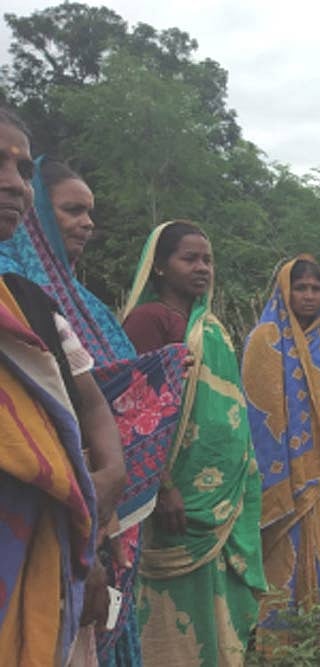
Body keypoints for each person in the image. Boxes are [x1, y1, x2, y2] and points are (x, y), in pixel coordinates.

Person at [0, 155, 186, 666]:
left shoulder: (82, 307)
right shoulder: (17, 293)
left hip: (104, 513)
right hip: (40, 512)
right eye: (71, 210)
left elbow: (100, 400)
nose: (87, 223)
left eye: (90, 212)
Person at [0, 107, 123, 666]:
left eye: (23, 169)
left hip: (47, 553)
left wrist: (106, 483)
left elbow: (90, 401)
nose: (12, 183)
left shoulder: (31, 305)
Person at [122, 221, 265, 666]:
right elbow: (138, 411)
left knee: (218, 601)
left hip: (222, 494)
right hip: (178, 494)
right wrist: (162, 485)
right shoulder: (148, 320)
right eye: (189, 258)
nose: (202, 267)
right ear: (160, 266)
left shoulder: (212, 328)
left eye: (207, 259)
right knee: (174, 610)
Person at [243, 257, 320, 634]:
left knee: (317, 556)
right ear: (284, 291)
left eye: (314, 289)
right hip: (280, 478)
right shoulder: (263, 340)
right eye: (301, 288)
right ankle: (274, 643)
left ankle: (311, 637)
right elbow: (256, 417)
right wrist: (286, 470)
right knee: (280, 559)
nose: (309, 296)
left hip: (319, 478)